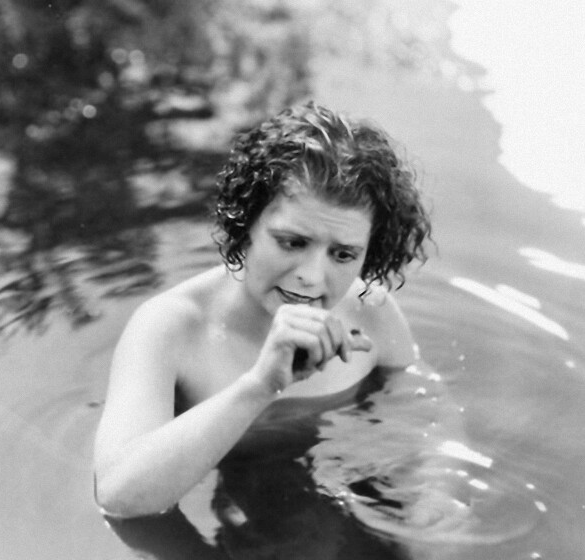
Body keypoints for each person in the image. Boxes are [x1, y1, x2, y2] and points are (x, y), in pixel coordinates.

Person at [93, 102, 431, 519]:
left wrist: (434, 501)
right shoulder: (169, 326)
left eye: (343, 255)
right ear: (245, 224)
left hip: (326, 496)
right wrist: (259, 386)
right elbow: (118, 497)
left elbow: (421, 410)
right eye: (292, 242)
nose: (312, 276)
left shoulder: (370, 309)